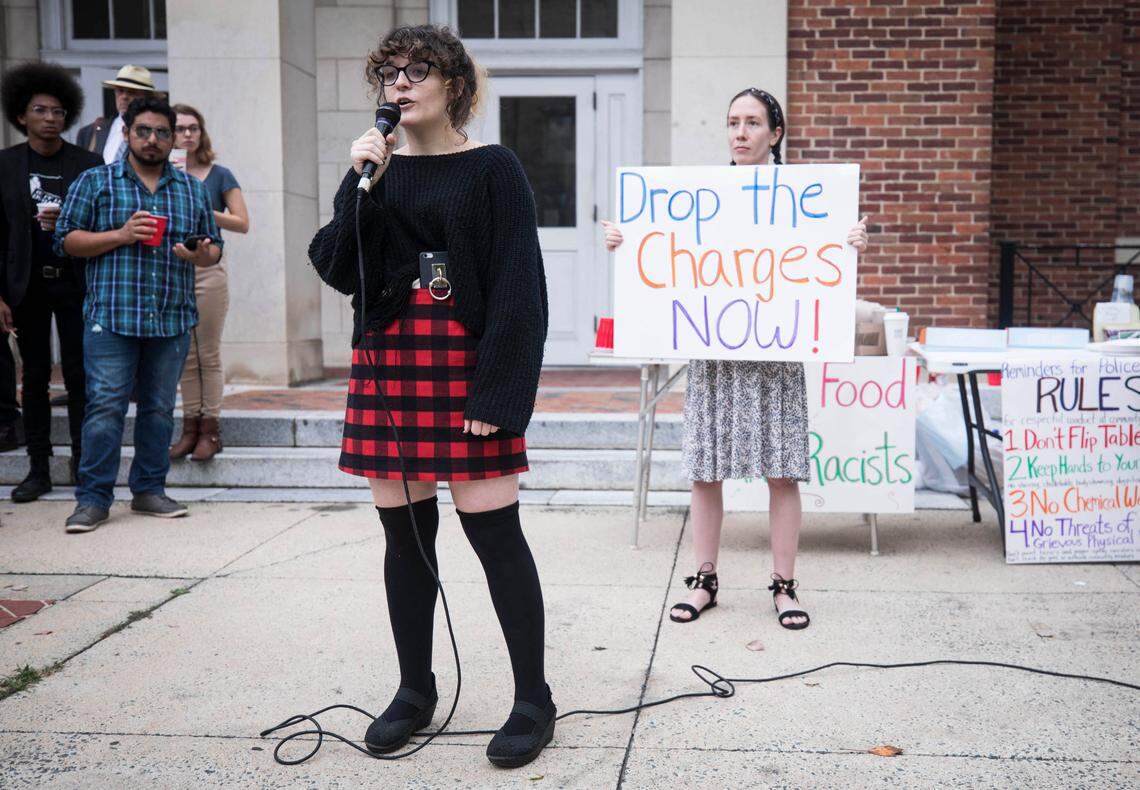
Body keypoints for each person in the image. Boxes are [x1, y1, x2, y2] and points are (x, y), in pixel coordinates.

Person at [308, 25, 553, 769]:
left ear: (454, 85)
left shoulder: (493, 169)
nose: (401, 83)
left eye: (419, 70)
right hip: (390, 363)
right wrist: (361, 185)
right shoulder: (373, 167)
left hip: (466, 365)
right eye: (389, 72)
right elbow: (336, 265)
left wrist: (500, 392)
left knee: (495, 537)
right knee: (405, 540)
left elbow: (519, 288)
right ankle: (415, 690)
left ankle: (532, 698)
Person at [601, 87, 870, 630]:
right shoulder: (700, 192)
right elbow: (667, 251)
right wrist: (625, 241)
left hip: (776, 352)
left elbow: (818, 260)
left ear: (775, 132)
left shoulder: (805, 195)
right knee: (706, 471)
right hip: (714, 351)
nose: (740, 132)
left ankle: (784, 584)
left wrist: (848, 240)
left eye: (752, 122)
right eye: (732, 122)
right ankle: (704, 580)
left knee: (782, 472)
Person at [53, 96, 222, 533]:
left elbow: (213, 248)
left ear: (172, 139)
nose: (153, 139)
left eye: (162, 132)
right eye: (143, 131)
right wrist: (121, 234)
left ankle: (148, 491)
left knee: (159, 409)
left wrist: (200, 253)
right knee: (105, 408)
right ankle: (92, 500)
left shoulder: (191, 189)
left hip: (170, 318)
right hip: (111, 317)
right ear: (126, 134)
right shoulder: (96, 182)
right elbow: (66, 241)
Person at [0, 63, 102, 502]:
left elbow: (103, 221)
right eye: (40, 110)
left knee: (82, 377)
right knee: (35, 377)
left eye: (59, 111)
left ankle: (84, 464)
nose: (50, 118)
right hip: (26, 286)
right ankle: (38, 468)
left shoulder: (88, 164)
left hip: (77, 282)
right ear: (21, 116)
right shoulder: (5, 165)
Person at [168, 103, 249, 461]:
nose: (187, 134)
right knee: (185, 355)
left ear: (201, 133)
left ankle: (210, 430)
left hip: (208, 268)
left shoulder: (218, 175)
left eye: (193, 128)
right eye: (180, 128)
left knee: (208, 352)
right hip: (172, 268)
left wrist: (199, 202)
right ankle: (190, 428)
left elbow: (241, 222)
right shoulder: (162, 175)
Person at [75, 65, 157, 164]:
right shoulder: (90, 132)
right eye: (120, 90)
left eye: (132, 92)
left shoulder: (158, 134)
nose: (124, 97)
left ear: (147, 97)